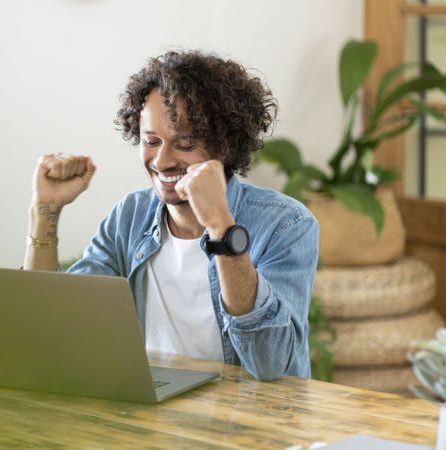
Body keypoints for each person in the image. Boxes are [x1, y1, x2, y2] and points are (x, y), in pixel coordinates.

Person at [23, 50, 319, 381]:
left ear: (224, 146)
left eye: (185, 142)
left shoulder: (285, 224)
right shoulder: (130, 217)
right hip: (153, 417)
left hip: (252, 421)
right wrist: (44, 210)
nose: (162, 161)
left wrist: (221, 227)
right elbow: (57, 324)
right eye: (151, 141)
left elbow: (270, 363)